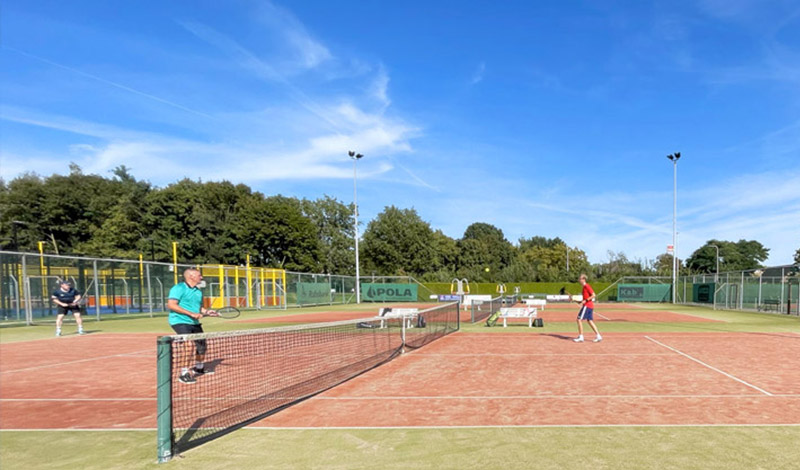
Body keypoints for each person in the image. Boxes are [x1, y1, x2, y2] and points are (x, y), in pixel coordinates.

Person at [167, 268, 217, 384]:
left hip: (194, 322)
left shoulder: (198, 291)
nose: (202, 277)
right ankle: (184, 373)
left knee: (202, 345)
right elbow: (171, 305)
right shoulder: (178, 288)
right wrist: (190, 314)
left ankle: (198, 368)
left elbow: (198, 308)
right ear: (191, 276)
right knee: (189, 345)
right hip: (179, 321)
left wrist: (207, 312)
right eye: (199, 275)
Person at [574, 273, 602, 343]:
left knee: (579, 319)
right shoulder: (584, 288)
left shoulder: (587, 286)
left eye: (580, 279)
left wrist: (585, 301)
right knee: (589, 321)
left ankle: (581, 337)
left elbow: (593, 295)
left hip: (587, 305)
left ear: (583, 279)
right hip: (589, 305)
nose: (579, 280)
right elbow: (584, 299)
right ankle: (598, 336)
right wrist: (577, 301)